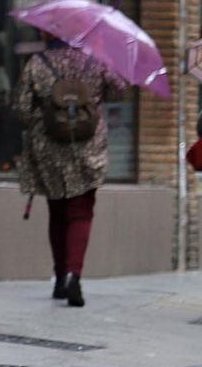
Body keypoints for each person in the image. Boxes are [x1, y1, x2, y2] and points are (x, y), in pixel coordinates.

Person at [14, 40, 126, 307]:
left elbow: (21, 108)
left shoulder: (37, 63)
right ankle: (74, 275)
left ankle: (60, 276)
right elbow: (121, 90)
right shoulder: (96, 61)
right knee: (81, 212)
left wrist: (44, 120)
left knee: (58, 212)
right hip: (88, 147)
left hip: (49, 148)